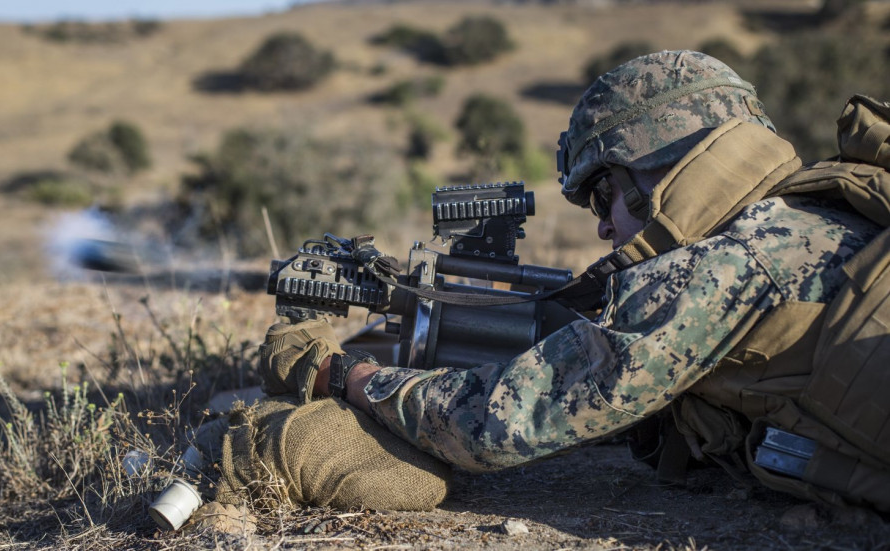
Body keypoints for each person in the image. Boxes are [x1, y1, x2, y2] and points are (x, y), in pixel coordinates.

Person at [257, 50, 890, 512]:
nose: (604, 232)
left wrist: (341, 374)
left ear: (650, 177)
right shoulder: (818, 213)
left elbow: (498, 425)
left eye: (602, 197)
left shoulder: (721, 266)